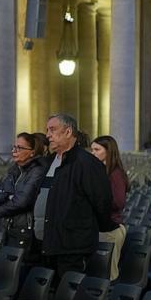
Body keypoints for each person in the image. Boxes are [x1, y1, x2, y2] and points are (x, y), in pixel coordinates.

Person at [36, 114, 114, 277]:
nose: (48, 135)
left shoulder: (87, 163)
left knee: (70, 296)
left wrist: (83, 229)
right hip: (47, 242)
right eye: (47, 130)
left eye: (52, 130)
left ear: (68, 132)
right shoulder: (48, 161)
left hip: (73, 246)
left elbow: (102, 202)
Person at [0, 132, 47, 255]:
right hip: (7, 227)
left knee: (18, 269)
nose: (14, 151)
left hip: (23, 229)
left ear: (32, 152)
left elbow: (22, 201)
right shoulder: (14, 170)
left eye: (19, 148)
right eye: (14, 147)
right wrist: (8, 196)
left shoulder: (37, 171)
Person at [89, 135, 130, 280]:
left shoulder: (115, 173)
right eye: (92, 149)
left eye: (97, 150)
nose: (93, 153)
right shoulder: (101, 171)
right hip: (100, 226)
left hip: (111, 228)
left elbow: (118, 202)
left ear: (108, 151)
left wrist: (95, 199)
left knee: (108, 272)